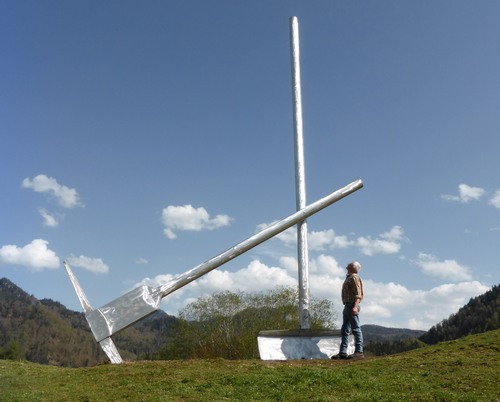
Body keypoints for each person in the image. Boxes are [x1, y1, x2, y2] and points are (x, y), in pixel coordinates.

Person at [332, 261, 364, 360]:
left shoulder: (354, 277)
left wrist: (355, 306)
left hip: (351, 305)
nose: (346, 266)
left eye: (348, 265)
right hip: (347, 305)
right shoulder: (349, 277)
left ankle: (359, 351)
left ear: (352, 267)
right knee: (345, 330)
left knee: (356, 328)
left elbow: (358, 294)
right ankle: (343, 352)